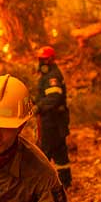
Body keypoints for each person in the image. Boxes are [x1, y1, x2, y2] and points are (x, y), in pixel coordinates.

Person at [34, 46, 72, 188]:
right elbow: (46, 97)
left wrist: (39, 107)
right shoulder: (48, 75)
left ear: (50, 59)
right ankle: (65, 182)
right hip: (55, 120)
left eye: (43, 59)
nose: (41, 62)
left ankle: (40, 185)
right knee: (59, 152)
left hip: (52, 121)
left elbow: (54, 98)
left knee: (43, 152)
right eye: (40, 59)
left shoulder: (52, 77)